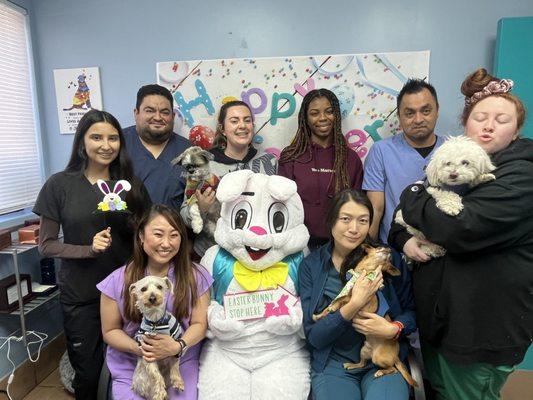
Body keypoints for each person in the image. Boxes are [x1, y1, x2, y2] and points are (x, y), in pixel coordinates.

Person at [388, 68, 533, 400]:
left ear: (517, 129)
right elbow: (401, 225)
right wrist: (406, 238)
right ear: (466, 123)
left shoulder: (520, 177)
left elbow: (455, 227)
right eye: (480, 117)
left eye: (502, 119)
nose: (489, 125)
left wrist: (412, 194)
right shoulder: (459, 167)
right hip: (443, 322)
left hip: (479, 330)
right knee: (440, 391)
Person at [33, 109, 151, 400]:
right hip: (81, 294)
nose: (106, 145)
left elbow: (148, 234)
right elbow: (45, 245)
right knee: (87, 371)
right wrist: (89, 249)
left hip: (126, 292)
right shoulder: (59, 185)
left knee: (131, 367)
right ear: (81, 142)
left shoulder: (130, 186)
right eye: (96, 137)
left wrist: (136, 225)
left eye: (113, 138)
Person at [299, 189, 415, 400]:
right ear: (331, 220)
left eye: (363, 220)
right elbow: (314, 337)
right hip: (334, 362)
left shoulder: (387, 259)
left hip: (382, 356)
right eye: (345, 219)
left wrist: (393, 328)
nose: (354, 229)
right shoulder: (312, 266)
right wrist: (354, 305)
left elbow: (411, 312)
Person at [98, 204, 212, 399]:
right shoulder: (117, 280)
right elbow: (109, 331)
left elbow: (200, 324)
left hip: (181, 362)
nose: (166, 243)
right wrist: (143, 350)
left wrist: (177, 346)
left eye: (174, 235)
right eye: (158, 234)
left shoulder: (196, 276)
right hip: (133, 364)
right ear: (141, 236)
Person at [180, 100, 277, 258]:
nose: (242, 125)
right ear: (222, 129)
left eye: (247, 120)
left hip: (257, 253)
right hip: (213, 253)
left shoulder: (268, 161)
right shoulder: (202, 165)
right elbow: (184, 215)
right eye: (234, 121)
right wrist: (201, 208)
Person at [279, 89, 364, 250]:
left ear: (337, 116)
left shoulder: (351, 159)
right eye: (314, 113)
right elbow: (282, 205)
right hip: (298, 247)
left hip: (340, 247)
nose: (323, 118)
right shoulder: (291, 157)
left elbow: (358, 208)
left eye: (329, 112)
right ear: (305, 118)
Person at [363, 79, 444, 246]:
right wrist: (368, 253)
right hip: (395, 250)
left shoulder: (454, 150)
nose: (418, 119)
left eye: (426, 111)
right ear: (399, 116)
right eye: (410, 113)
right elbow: (375, 209)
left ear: (437, 111)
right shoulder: (381, 151)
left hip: (444, 251)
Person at [123, 84, 191, 209]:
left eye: (165, 112)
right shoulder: (118, 143)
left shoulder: (189, 151)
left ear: (173, 116)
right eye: (150, 111)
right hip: (127, 227)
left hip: (175, 227)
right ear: (136, 113)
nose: (158, 117)